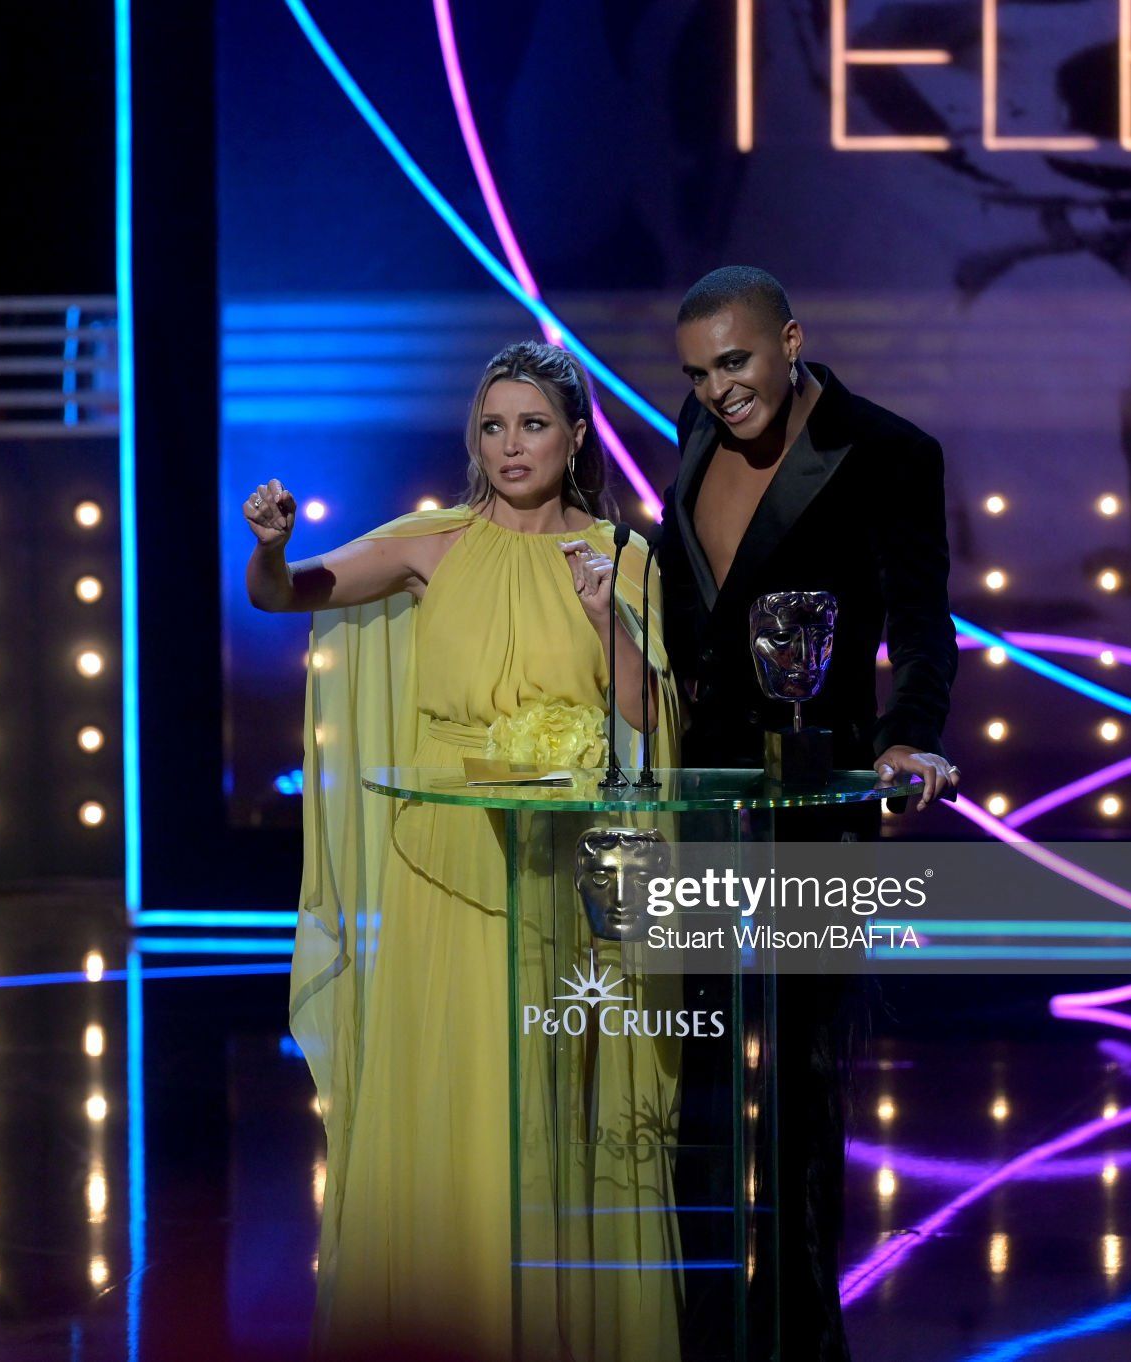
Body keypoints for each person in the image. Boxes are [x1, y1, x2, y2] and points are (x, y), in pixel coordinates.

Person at [248, 341, 684, 1360]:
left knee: (548, 1103)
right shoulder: (431, 544)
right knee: (454, 1097)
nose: (510, 445)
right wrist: (269, 547)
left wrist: (605, 619)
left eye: (532, 424)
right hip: (444, 861)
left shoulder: (623, 558)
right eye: (492, 426)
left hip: (563, 866)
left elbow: (648, 718)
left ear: (575, 436)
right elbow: (284, 594)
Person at [657, 266, 960, 1361]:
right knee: (692, 1075)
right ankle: (696, 1329)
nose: (717, 389)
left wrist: (906, 736)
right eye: (699, 372)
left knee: (796, 1083)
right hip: (698, 799)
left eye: (734, 362)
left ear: (789, 341)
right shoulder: (693, 432)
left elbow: (922, 625)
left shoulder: (888, 452)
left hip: (813, 797)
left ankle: (798, 1334)